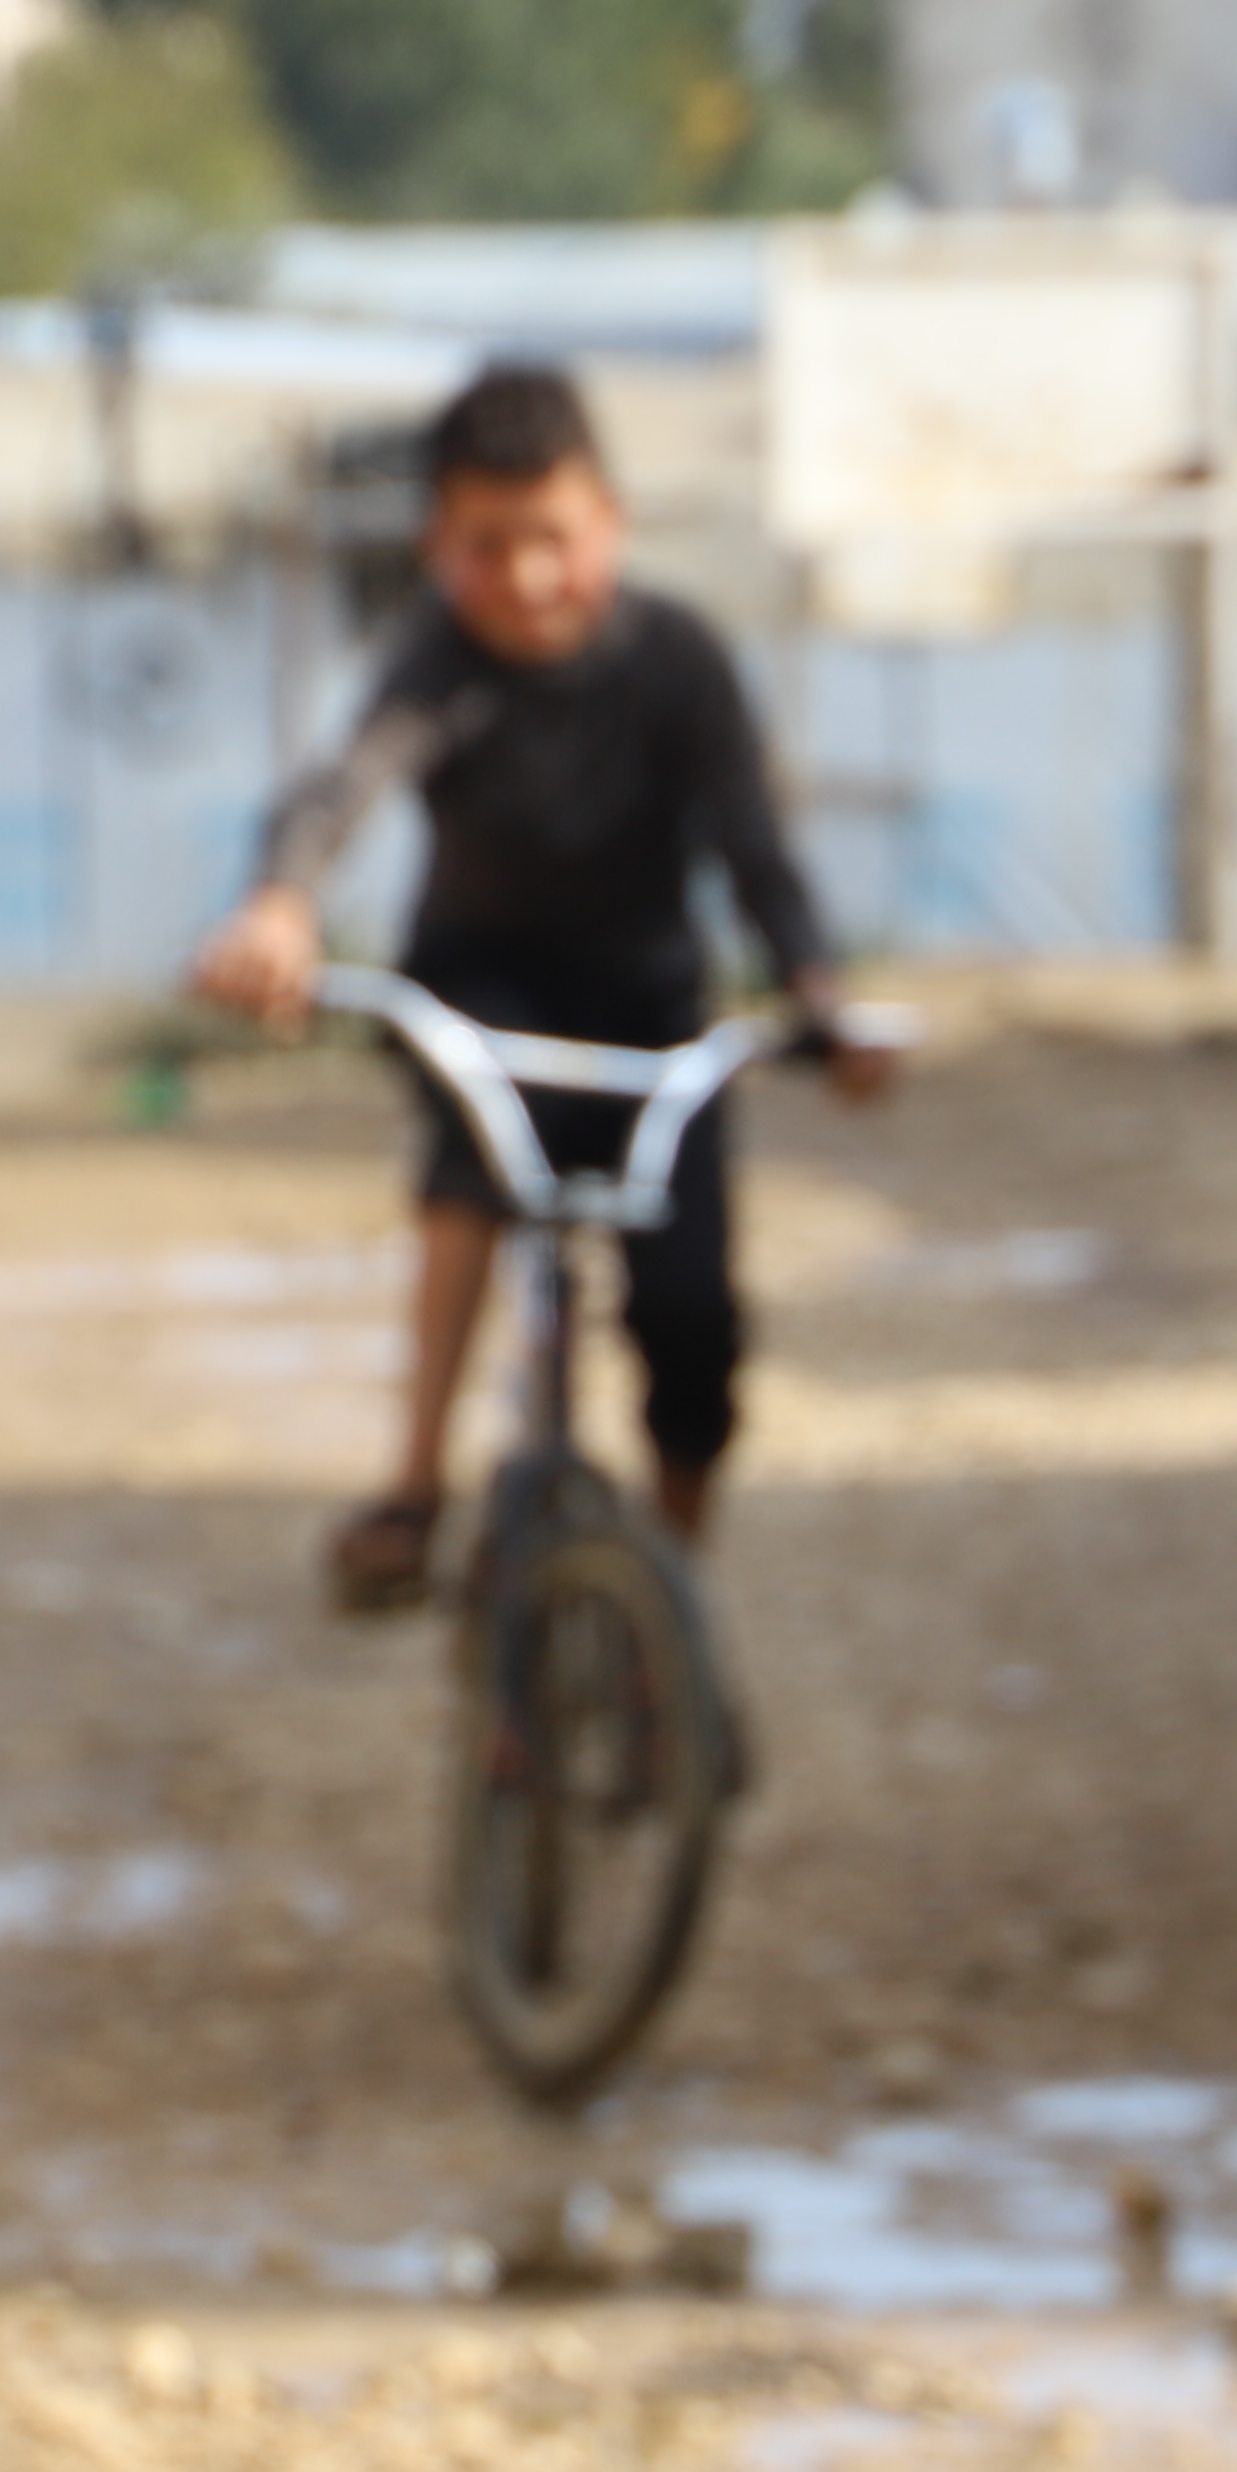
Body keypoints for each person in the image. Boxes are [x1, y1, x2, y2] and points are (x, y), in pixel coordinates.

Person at [191, 362, 888, 1606]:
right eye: (484, 544)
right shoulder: (438, 659)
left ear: (609, 522)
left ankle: (674, 1589)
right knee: (470, 1178)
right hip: (483, 996)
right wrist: (281, 900)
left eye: (552, 539)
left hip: (651, 1018)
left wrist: (819, 998)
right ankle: (416, 1486)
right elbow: (340, 785)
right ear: (435, 543)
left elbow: (756, 853)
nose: (523, 579)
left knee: (692, 1327)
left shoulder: (679, 660)